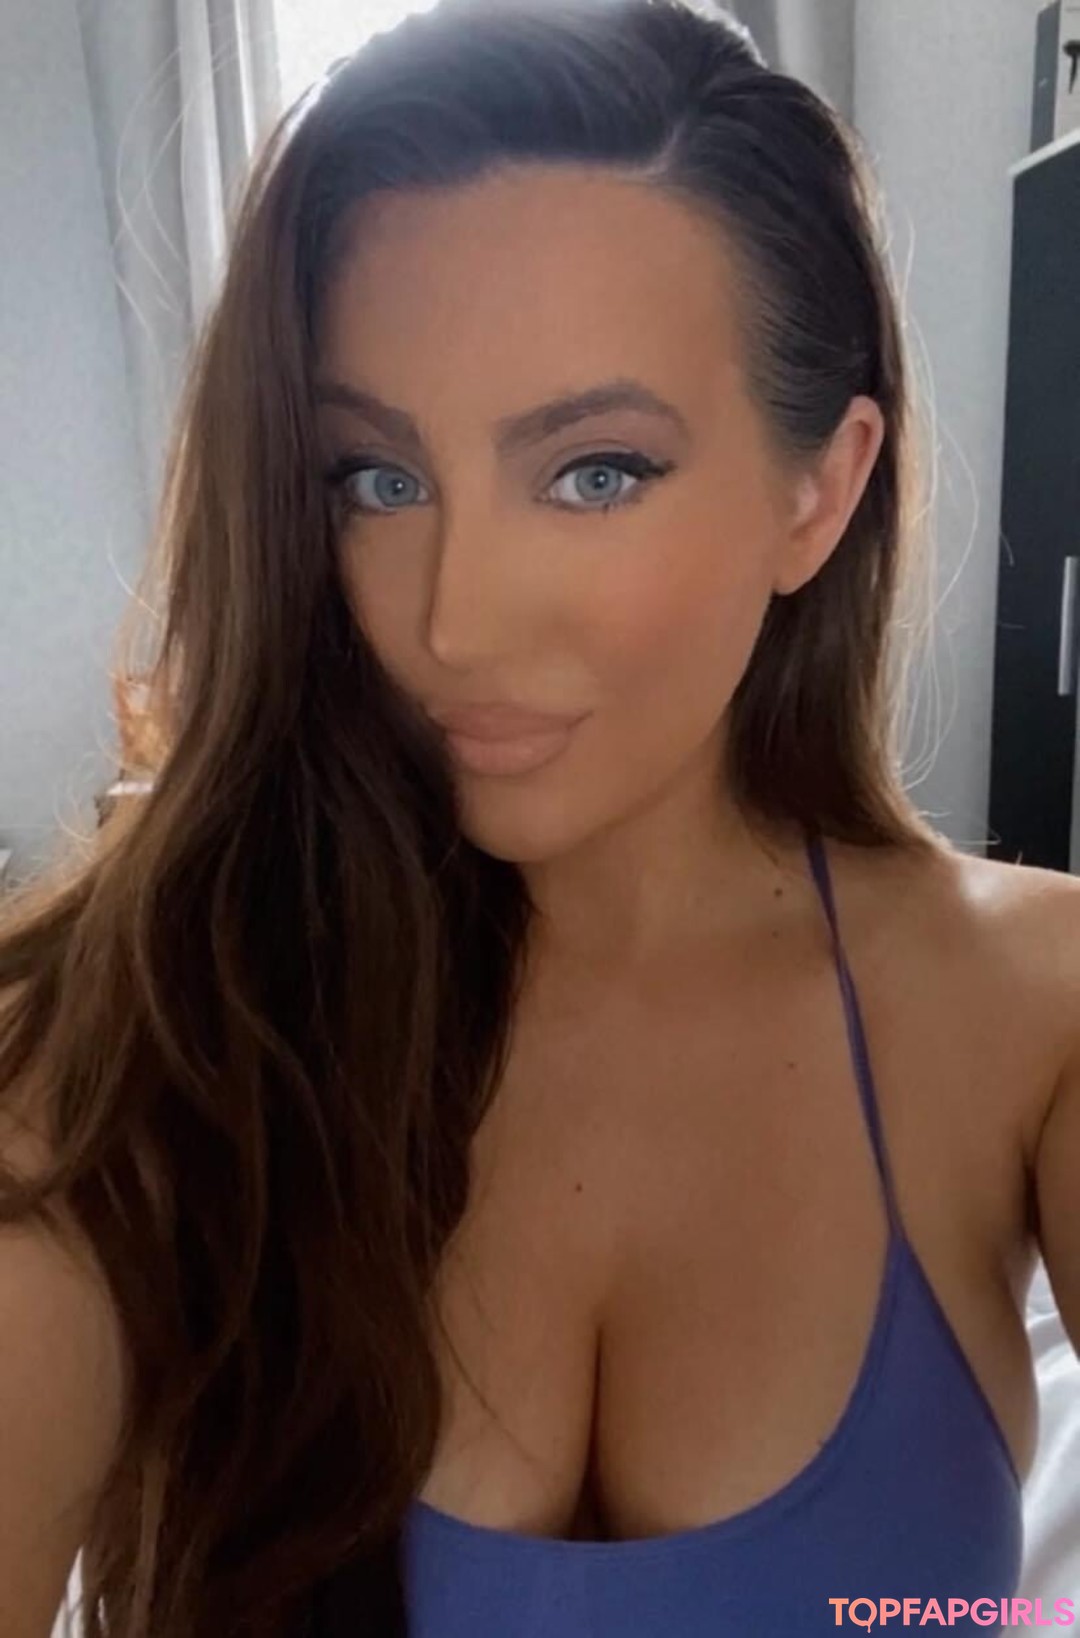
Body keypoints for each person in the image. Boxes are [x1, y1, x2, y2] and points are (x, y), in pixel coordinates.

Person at [1, 1, 1078, 1634]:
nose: (453, 623)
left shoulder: (1033, 1014)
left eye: (594, 472)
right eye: (376, 479)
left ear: (821, 488)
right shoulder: (146, 1025)